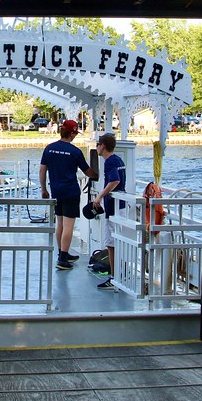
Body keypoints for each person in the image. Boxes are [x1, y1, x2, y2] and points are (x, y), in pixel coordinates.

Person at [39, 119, 98, 270]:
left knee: (60, 224)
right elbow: (87, 171)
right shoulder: (75, 152)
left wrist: (43, 189)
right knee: (68, 225)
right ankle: (63, 259)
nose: (75, 136)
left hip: (56, 191)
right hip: (71, 191)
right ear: (71, 133)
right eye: (75, 134)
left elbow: (42, 170)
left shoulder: (49, 149)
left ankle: (61, 252)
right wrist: (97, 175)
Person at [91, 133, 125, 291]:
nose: (97, 147)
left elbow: (115, 180)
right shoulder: (118, 159)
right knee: (116, 241)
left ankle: (114, 277)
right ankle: (118, 274)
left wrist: (99, 196)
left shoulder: (110, 162)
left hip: (113, 207)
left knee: (111, 243)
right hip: (121, 206)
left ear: (103, 145)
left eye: (98, 144)